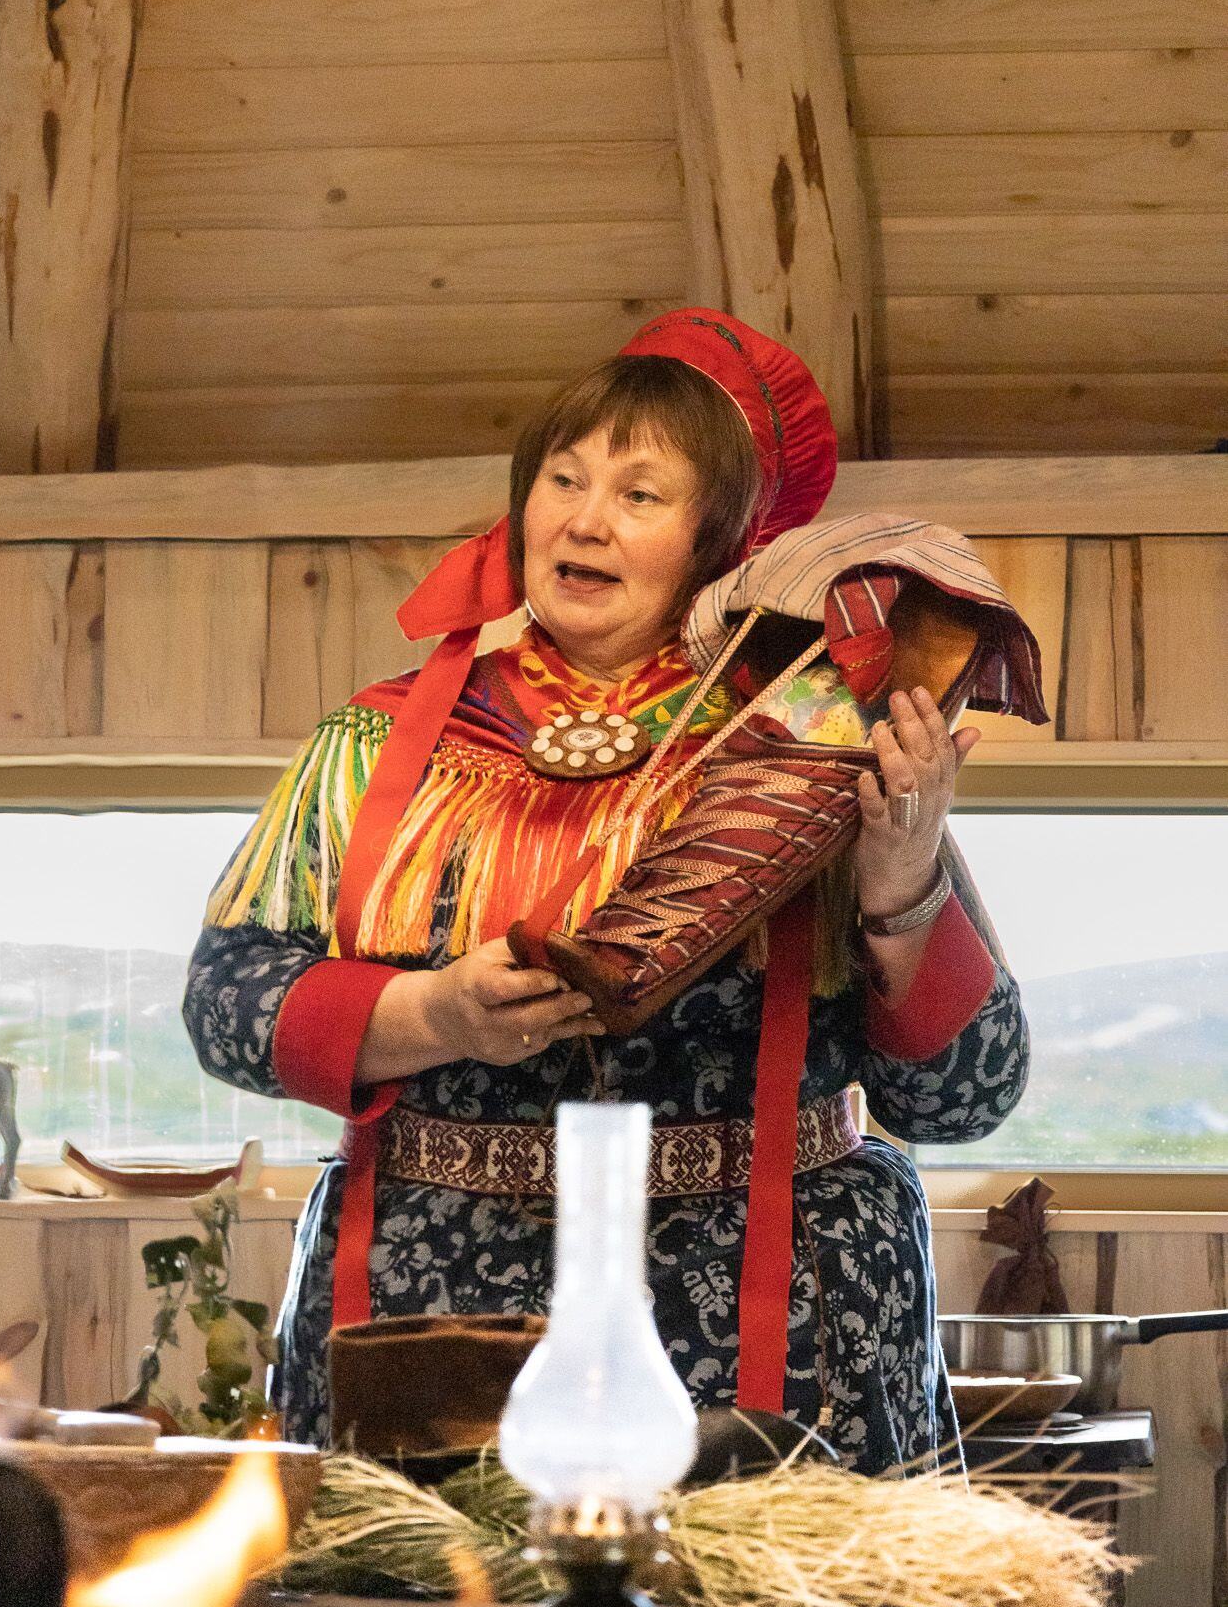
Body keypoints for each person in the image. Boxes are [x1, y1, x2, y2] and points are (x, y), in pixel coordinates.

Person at [183, 308, 1034, 1487]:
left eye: (640, 493)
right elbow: (226, 1003)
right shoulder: (374, 742)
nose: (584, 516)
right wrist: (434, 1014)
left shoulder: (808, 745)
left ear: (720, 536)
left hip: (777, 1323)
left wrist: (900, 888)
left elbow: (961, 1096)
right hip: (430, 1311)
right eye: (564, 478)